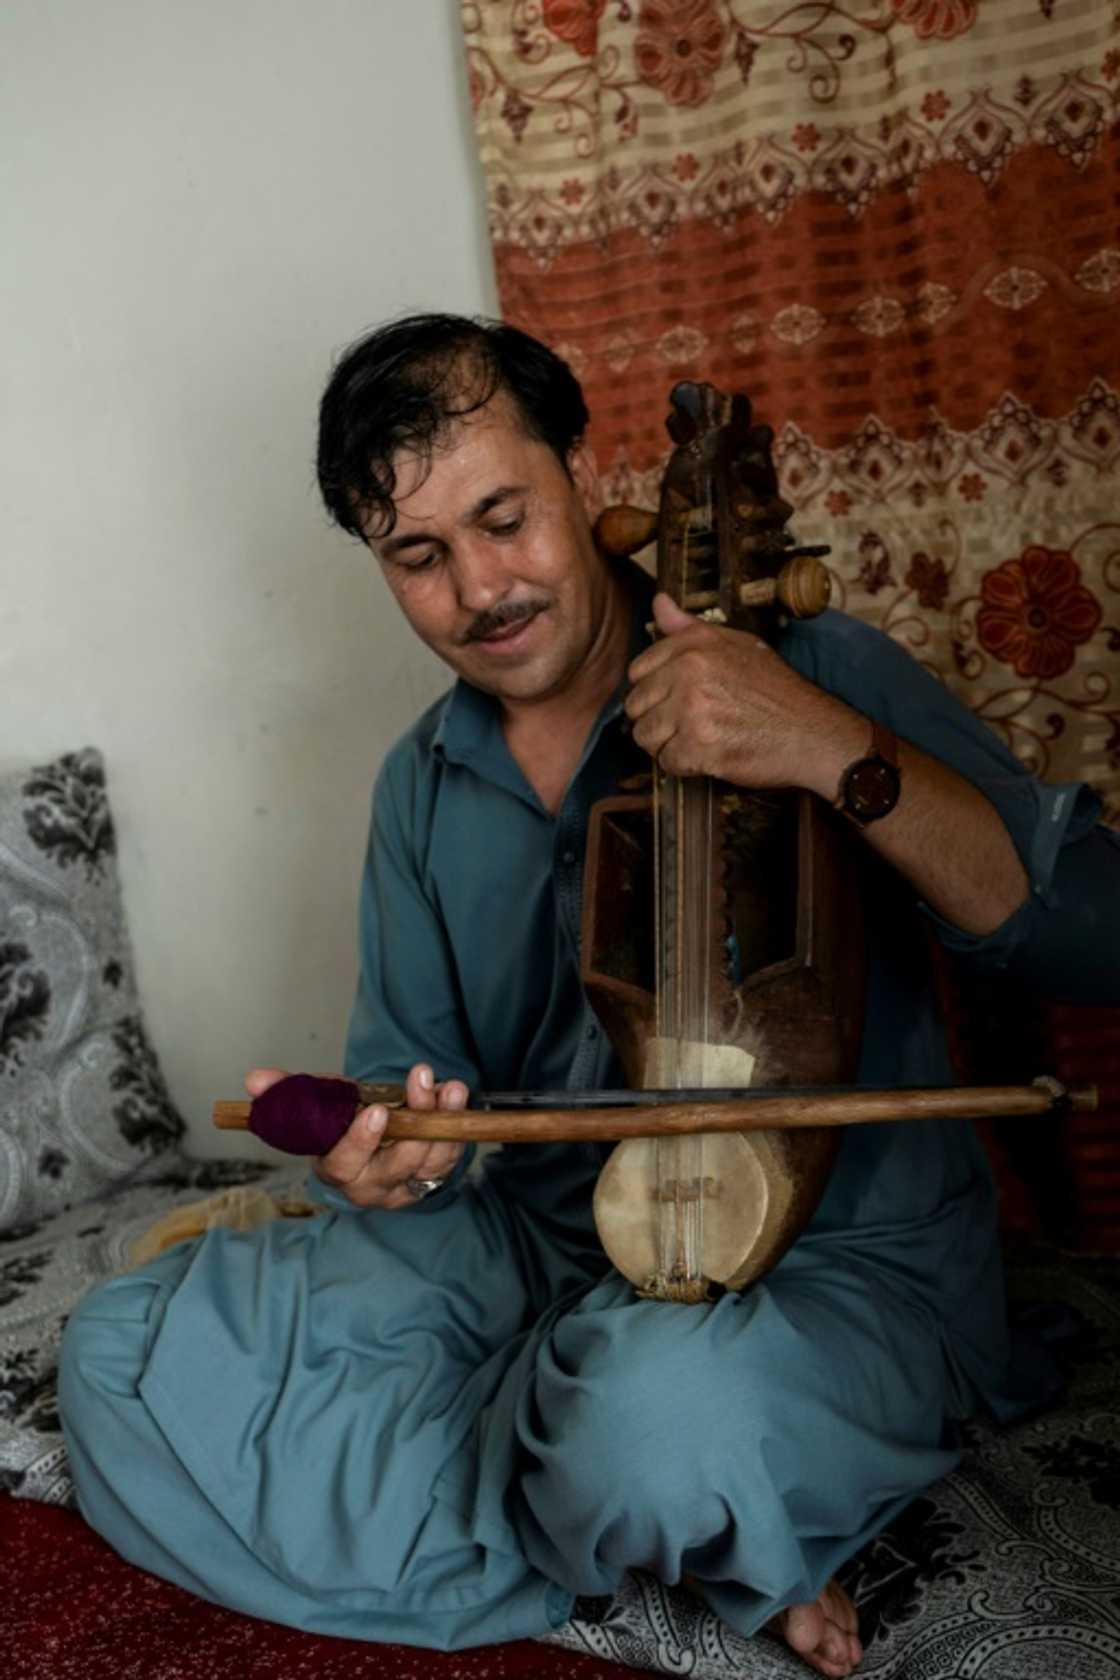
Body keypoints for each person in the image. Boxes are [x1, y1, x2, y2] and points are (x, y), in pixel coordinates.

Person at [60, 314, 1119, 1680]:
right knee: (123, 1352)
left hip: (835, 1269)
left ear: (579, 471)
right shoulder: (421, 784)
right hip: (537, 1249)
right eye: (419, 556)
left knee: (647, 1430)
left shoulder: (809, 670)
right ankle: (684, 1506)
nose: (480, 588)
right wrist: (397, 1154)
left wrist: (828, 750)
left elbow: (1088, 937)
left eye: (504, 519)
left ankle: (653, 1473)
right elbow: (417, 1092)